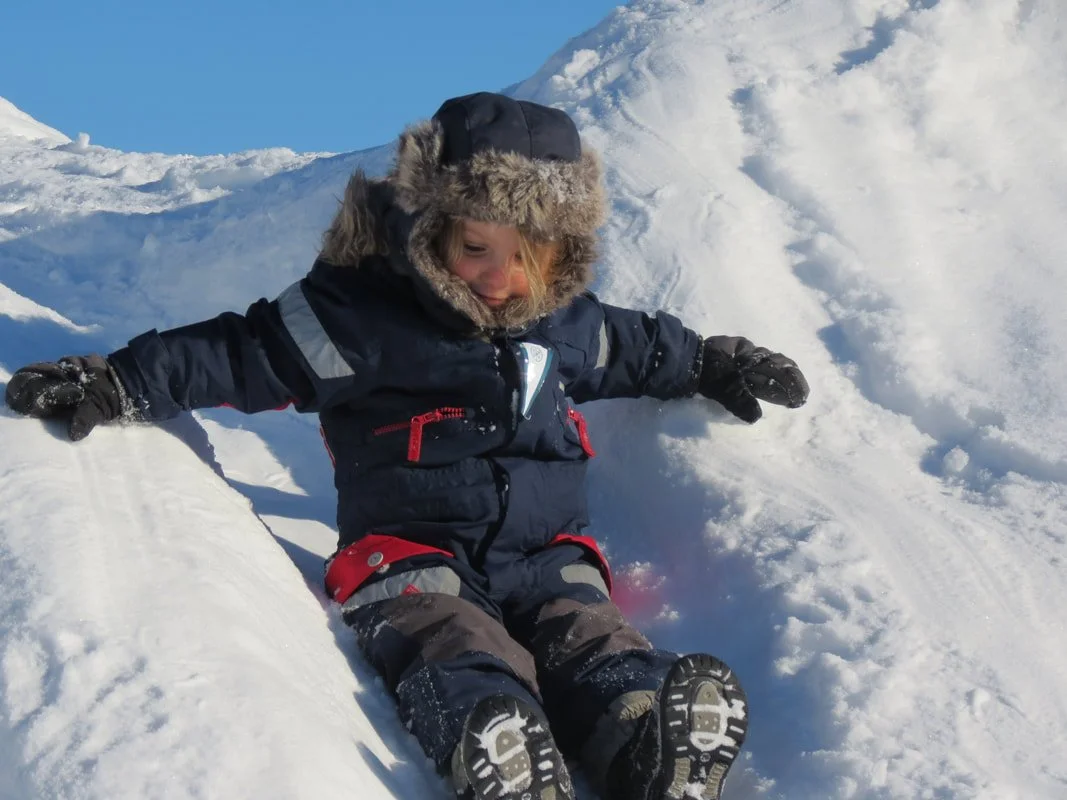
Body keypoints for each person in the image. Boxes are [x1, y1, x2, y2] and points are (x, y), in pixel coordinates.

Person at [5, 92, 808, 800]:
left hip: (544, 551)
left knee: (589, 634)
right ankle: (495, 748)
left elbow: (637, 348)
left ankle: (640, 732)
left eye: (526, 258)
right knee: (458, 646)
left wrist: (709, 361)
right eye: (475, 249)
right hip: (409, 555)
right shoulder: (363, 318)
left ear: (561, 257)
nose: (499, 277)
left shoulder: (565, 326)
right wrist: (119, 380)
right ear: (430, 228)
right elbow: (239, 353)